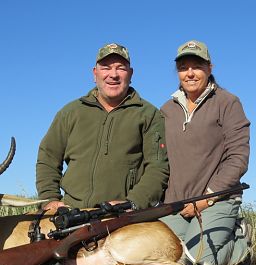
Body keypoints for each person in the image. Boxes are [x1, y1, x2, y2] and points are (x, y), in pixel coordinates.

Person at [36, 43, 169, 211]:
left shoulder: (149, 114)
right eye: (106, 68)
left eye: (120, 68)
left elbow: (158, 168)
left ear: (131, 73)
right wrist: (49, 198)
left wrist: (133, 202)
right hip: (72, 212)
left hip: (122, 216)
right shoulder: (70, 112)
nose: (113, 75)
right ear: (95, 73)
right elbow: (48, 156)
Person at [160, 40, 251, 265]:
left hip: (217, 200)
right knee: (164, 255)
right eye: (183, 67)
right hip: (177, 205)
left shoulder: (228, 102)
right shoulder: (166, 110)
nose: (189, 73)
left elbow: (238, 157)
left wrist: (207, 198)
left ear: (210, 68)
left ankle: (240, 241)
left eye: (197, 66)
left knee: (197, 263)